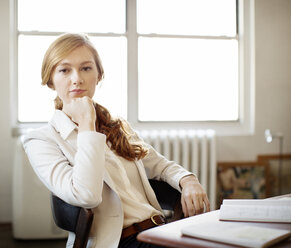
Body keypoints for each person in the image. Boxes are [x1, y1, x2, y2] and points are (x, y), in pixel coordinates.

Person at [22, 33, 210, 248]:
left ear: (99, 75)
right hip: (120, 242)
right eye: (64, 70)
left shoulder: (116, 126)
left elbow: (161, 166)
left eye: (86, 68)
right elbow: (86, 195)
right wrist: (86, 126)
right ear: (50, 81)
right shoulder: (40, 140)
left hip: (158, 230)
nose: (77, 78)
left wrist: (189, 181)